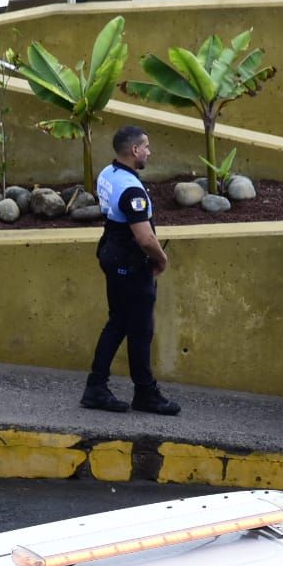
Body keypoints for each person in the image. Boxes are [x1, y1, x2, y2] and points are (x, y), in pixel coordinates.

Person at [80, 125, 180, 416]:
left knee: (118, 323)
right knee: (140, 329)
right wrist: (160, 259)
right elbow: (145, 238)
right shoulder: (132, 190)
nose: (149, 151)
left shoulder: (107, 174)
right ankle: (145, 393)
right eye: (146, 146)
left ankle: (96, 387)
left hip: (112, 254)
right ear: (134, 150)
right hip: (130, 265)